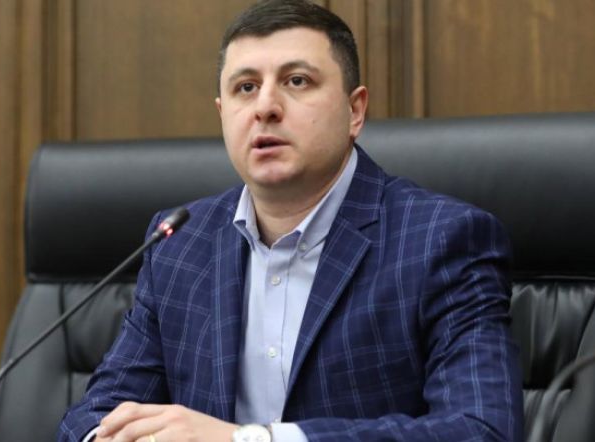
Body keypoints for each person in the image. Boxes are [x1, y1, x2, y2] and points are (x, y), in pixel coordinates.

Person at [59, 0, 523, 441]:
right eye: (245, 88)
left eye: (297, 81)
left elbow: (482, 429)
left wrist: (249, 439)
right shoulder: (179, 242)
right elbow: (97, 413)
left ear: (355, 110)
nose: (265, 107)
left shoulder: (442, 240)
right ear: (223, 114)